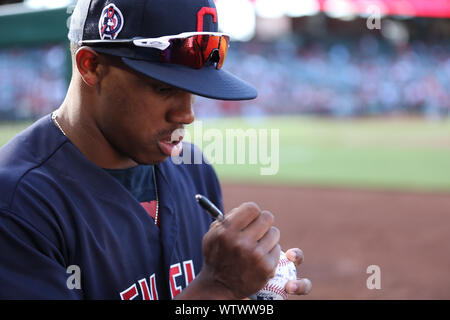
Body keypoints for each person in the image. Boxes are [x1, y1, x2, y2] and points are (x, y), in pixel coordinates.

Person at [0, 0, 311, 299]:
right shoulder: (17, 203)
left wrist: (245, 291)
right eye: (163, 88)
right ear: (91, 66)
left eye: (193, 89)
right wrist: (220, 287)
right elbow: (212, 286)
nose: (187, 114)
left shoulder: (194, 171)